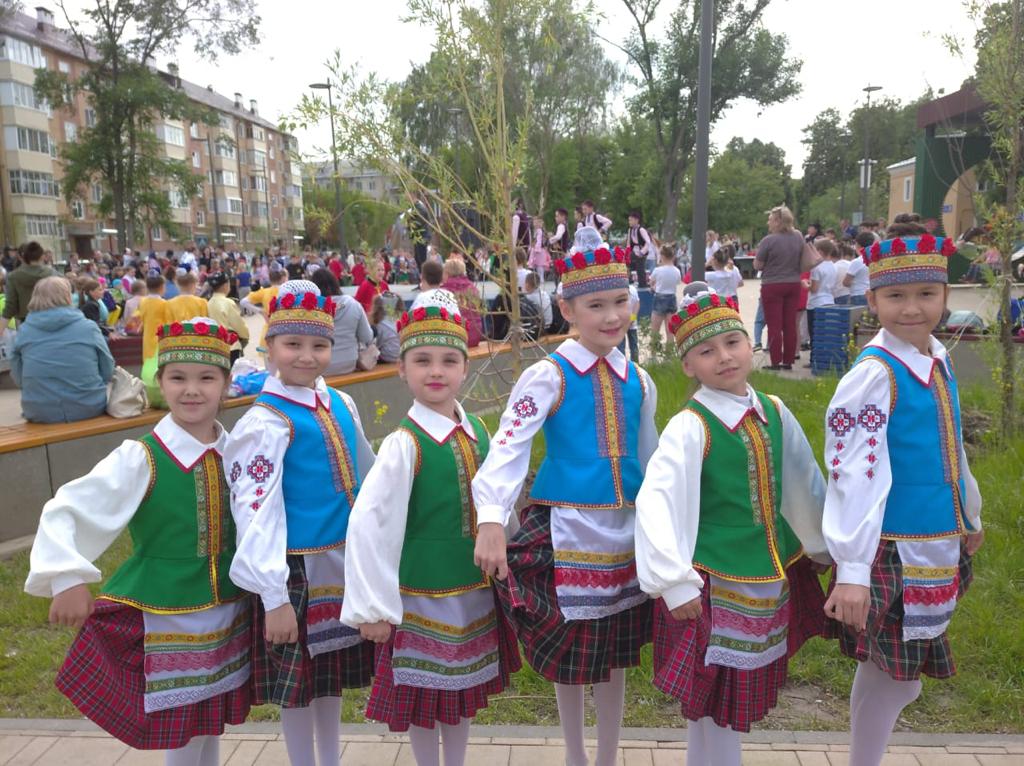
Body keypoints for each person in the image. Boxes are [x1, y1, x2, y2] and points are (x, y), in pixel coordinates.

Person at [24, 317, 249, 764]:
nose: (192, 390)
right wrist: (65, 576)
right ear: (159, 383)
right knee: (181, 727)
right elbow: (69, 507)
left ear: (226, 384)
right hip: (167, 616)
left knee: (209, 720)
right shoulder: (142, 457)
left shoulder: (237, 452)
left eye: (207, 378)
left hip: (230, 606)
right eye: (178, 378)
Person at [472, 227, 658, 766]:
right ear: (567, 308)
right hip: (567, 528)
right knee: (573, 651)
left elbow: (651, 457)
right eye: (596, 305)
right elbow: (509, 443)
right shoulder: (547, 375)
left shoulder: (639, 380)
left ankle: (608, 755)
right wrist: (491, 515)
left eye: (620, 301)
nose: (612, 316)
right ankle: (576, 753)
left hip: (626, 531)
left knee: (616, 651)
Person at [635, 284, 830, 766]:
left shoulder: (775, 411)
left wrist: (824, 543)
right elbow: (656, 500)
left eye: (732, 342)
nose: (724, 357)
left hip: (767, 575)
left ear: (749, 343)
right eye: (706, 351)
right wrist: (672, 580)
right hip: (713, 583)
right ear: (688, 365)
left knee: (719, 704)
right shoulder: (691, 426)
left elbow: (803, 480)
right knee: (715, 699)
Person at [822, 219, 984, 766]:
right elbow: (854, 471)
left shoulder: (936, 358)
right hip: (894, 544)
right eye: (896, 296)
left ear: (946, 295)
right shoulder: (875, 374)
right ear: (872, 300)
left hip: (935, 535)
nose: (912, 308)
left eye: (926, 293)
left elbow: (950, 444)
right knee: (893, 676)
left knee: (896, 678)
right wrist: (852, 568)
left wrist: (969, 512)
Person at [342, 293, 521, 766]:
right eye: (422, 361)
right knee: (424, 698)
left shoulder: (478, 432)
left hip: (471, 589)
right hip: (420, 594)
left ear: (465, 367)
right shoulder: (405, 444)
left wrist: (510, 550)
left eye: (448, 360)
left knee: (460, 693)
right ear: (402, 369)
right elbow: (370, 524)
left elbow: (499, 500)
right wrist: (372, 605)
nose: (436, 371)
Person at [225, 281, 376, 766]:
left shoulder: (339, 403)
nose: (307, 357)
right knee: (296, 690)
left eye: (319, 345)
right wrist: (274, 598)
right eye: (293, 344)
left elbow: (367, 473)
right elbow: (255, 514)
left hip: (341, 563)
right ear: (268, 346)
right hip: (293, 572)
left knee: (328, 679)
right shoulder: (265, 423)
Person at [11, 277, 114, 423]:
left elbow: (17, 375)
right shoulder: (89, 328)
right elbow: (108, 369)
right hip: (88, 405)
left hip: (39, 410)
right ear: (68, 296)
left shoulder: (24, 331)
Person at [754, 205, 804, 370]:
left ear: (777, 221)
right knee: (790, 323)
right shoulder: (798, 236)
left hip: (772, 284)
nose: (768, 223)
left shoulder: (768, 240)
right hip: (794, 283)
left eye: (770, 220)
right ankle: (788, 360)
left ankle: (775, 361)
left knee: (774, 324)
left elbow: (758, 265)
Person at [311, 268, 374, 376]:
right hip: (349, 363)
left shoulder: (310, 308)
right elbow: (367, 337)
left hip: (320, 366)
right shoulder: (353, 304)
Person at [2, 241, 58, 328]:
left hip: (26, 322)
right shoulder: (53, 274)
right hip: (52, 319)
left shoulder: (13, 277)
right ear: (42, 256)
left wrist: (1, 329)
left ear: (22, 257)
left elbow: (10, 307)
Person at [206, 272, 249, 366]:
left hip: (214, 346)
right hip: (230, 345)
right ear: (226, 285)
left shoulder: (208, 303)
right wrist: (245, 337)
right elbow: (239, 325)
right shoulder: (228, 302)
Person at [441, 258, 484, 348]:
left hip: (455, 340)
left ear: (447, 273)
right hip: (475, 336)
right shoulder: (473, 288)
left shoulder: (444, 292)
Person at [807, 239, 837, 357]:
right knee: (825, 333)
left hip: (816, 302)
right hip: (829, 300)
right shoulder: (833, 266)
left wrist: (805, 285)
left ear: (820, 251)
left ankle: (814, 358)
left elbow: (814, 288)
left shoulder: (816, 267)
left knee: (814, 333)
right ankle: (825, 357)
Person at [650, 244, 682, 348]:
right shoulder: (677, 271)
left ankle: (654, 352)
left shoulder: (657, 270)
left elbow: (651, 282)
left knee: (655, 330)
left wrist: (653, 287)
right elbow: (677, 282)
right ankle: (669, 353)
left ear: (662, 256)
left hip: (660, 297)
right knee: (670, 331)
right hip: (671, 297)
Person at [705, 246, 743, 310]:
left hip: (717, 301)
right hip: (732, 300)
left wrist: (707, 264)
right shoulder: (733, 271)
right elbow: (741, 283)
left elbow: (693, 275)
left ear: (714, 260)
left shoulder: (711, 275)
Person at [625, 210, 653, 288]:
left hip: (641, 252)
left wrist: (642, 252)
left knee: (640, 268)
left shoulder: (641, 230)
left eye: (631, 220)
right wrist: (627, 252)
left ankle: (642, 284)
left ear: (636, 220)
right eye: (629, 220)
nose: (629, 222)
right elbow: (628, 243)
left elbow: (648, 242)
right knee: (627, 264)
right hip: (634, 251)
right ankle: (629, 280)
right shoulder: (630, 230)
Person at [368, 295, 400, 363]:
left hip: (387, 357)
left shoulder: (379, 323)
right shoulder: (398, 319)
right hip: (400, 355)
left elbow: (375, 343)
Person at [528, 217, 551, 283]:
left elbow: (539, 240)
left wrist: (536, 248)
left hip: (539, 251)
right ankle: (539, 280)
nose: (535, 224)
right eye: (534, 222)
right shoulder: (538, 231)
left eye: (536, 222)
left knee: (539, 266)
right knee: (538, 267)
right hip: (539, 250)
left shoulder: (539, 231)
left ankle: (540, 280)